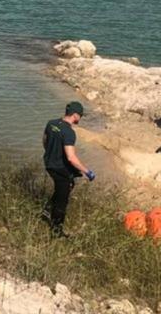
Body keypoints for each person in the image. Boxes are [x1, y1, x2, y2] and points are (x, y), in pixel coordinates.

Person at [42, 101, 95, 237]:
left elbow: (44, 140)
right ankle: (56, 232)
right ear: (75, 115)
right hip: (60, 168)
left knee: (70, 183)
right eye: (80, 116)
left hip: (49, 163)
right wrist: (87, 171)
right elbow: (71, 158)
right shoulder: (69, 132)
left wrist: (52, 153)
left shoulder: (51, 123)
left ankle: (47, 210)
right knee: (62, 200)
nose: (80, 118)